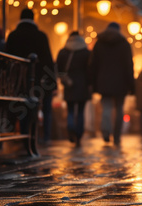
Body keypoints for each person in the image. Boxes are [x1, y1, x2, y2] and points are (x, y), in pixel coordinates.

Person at [5, 8, 56, 145]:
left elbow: (7, 59)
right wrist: (51, 81)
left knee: (21, 106)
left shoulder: (13, 35)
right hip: (37, 80)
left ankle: (23, 135)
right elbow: (48, 60)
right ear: (33, 19)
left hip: (17, 80)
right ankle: (41, 137)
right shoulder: (41, 36)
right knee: (38, 107)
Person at [90, 22, 135, 146]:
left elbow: (93, 64)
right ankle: (116, 135)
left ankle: (105, 132)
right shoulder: (124, 44)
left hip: (103, 82)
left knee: (107, 108)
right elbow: (129, 66)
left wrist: (93, 83)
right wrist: (132, 85)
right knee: (119, 109)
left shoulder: (99, 43)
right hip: (121, 83)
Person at [57, 31, 91, 147]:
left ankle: (71, 128)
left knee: (70, 110)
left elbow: (58, 69)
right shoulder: (86, 53)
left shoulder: (63, 52)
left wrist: (64, 78)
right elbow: (91, 69)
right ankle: (79, 135)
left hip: (69, 84)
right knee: (81, 111)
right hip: (83, 84)